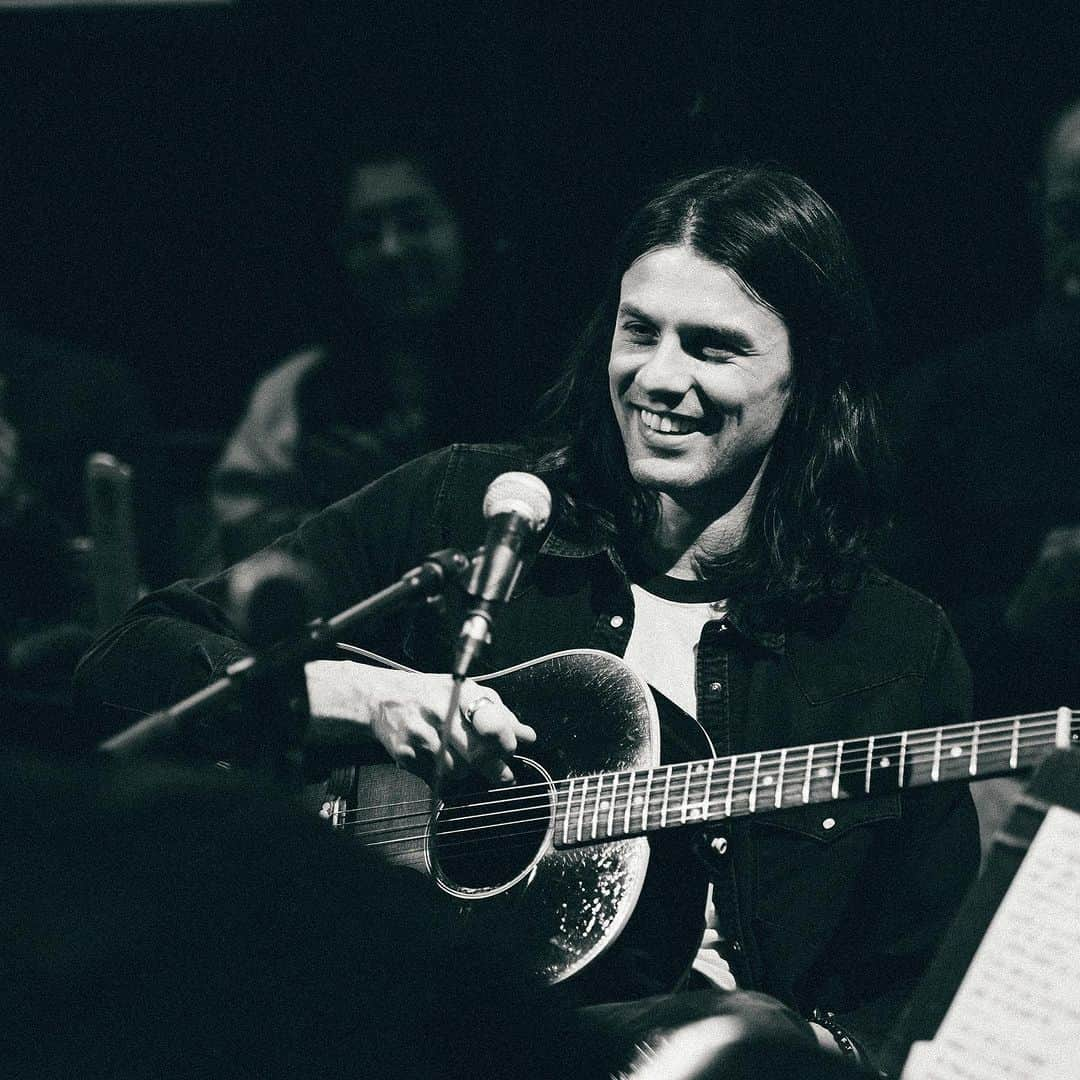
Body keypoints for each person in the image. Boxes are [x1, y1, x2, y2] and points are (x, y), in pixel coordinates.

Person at [76, 165, 977, 1078]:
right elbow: (126, 663)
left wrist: (809, 1046)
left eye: (712, 347)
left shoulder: (892, 650)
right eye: (639, 333)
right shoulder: (473, 509)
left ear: (809, 373)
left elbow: (921, 990)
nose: (658, 379)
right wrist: (356, 697)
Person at [882, 97, 1080, 851]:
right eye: (1074, 218)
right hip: (1004, 795)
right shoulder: (939, 409)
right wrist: (1022, 612)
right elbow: (865, 668)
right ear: (1036, 212)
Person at [211, 152, 484, 564]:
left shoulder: (541, 378)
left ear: (464, 229)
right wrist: (339, 509)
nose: (391, 251)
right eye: (365, 233)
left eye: (414, 224)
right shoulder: (297, 388)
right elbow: (240, 539)